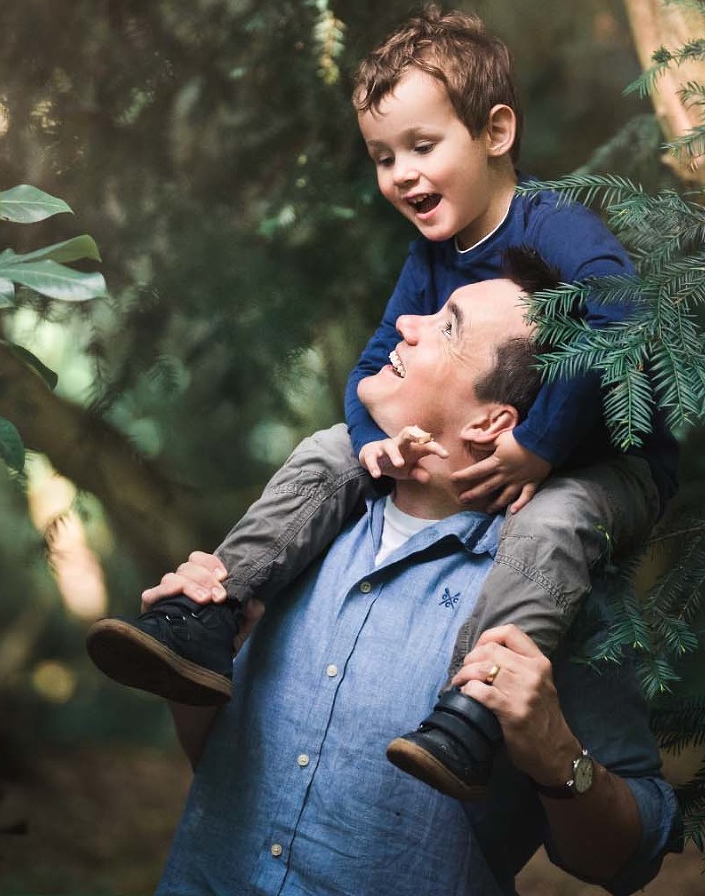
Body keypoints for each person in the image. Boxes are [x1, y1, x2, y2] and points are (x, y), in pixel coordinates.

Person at [87, 6, 677, 798]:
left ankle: (472, 709)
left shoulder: (556, 226)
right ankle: (210, 613)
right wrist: (373, 440)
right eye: (382, 155)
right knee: (332, 448)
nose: (400, 173)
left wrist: (541, 443)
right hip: (494, 440)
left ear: (496, 132)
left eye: (422, 147)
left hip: (609, 462)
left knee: (553, 520)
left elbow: (619, 319)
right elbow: (372, 362)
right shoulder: (431, 255)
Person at [152, 273, 677, 895]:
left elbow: (629, 859)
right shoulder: (294, 539)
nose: (405, 325)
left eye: (447, 326)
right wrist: (193, 674)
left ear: (492, 423)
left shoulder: (557, 597)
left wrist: (557, 755)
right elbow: (218, 765)